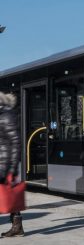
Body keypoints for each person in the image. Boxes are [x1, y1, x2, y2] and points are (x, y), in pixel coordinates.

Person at [0, 92, 24, 238]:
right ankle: (17, 226)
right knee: (7, 195)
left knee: (7, 194)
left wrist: (13, 168)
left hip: (4, 163)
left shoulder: (6, 115)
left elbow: (15, 142)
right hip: (3, 162)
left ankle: (17, 226)